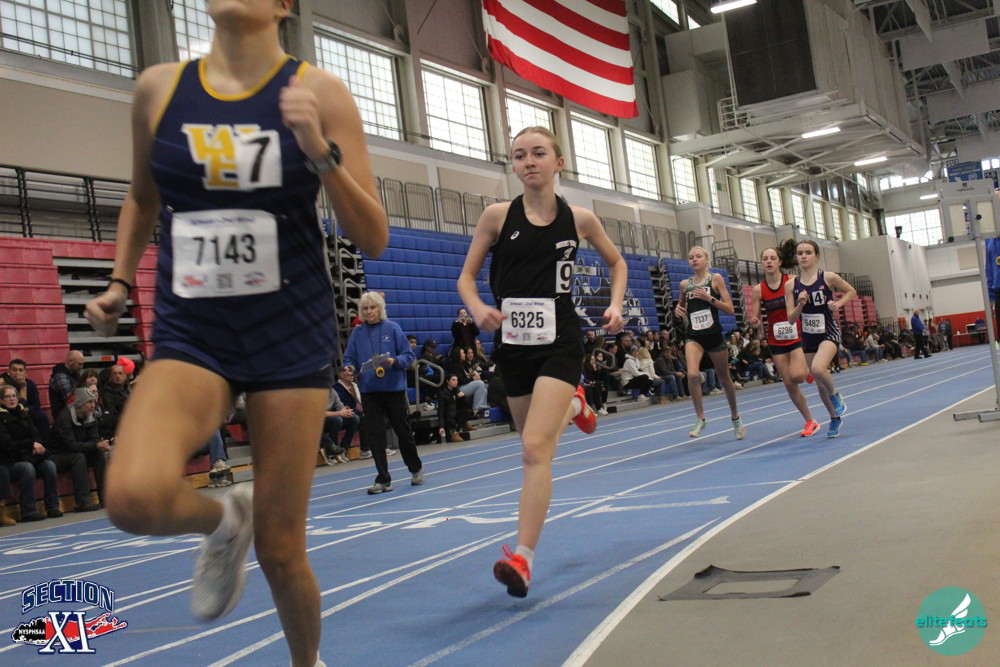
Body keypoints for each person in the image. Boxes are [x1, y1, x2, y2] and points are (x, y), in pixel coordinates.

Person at [81, 2, 389, 664]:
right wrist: (118, 282)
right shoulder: (158, 88)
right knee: (131, 497)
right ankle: (224, 520)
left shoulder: (319, 91)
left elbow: (372, 236)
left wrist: (322, 155)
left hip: (289, 332)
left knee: (281, 551)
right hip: (194, 329)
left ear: (283, 5)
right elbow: (141, 197)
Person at [457, 126, 626, 598]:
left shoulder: (580, 220)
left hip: (560, 340)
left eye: (537, 153)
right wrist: (477, 308)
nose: (528, 161)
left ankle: (523, 559)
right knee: (536, 444)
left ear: (558, 163)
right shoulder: (496, 216)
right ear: (513, 165)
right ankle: (576, 406)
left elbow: (617, 263)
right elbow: (466, 278)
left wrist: (615, 305)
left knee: (534, 449)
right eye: (519, 155)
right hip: (513, 344)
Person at [343, 291, 424, 494]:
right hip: (369, 391)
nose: (369, 311)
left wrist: (394, 361)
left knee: (403, 431)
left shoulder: (393, 328)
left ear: (380, 309)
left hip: (393, 390)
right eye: (365, 308)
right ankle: (383, 478)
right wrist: (349, 368)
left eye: (373, 307)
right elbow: (349, 358)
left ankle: (415, 468)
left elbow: (408, 356)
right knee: (376, 435)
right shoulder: (357, 333)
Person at [786, 240, 856, 438]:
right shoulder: (791, 285)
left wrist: (838, 304)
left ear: (816, 256)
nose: (803, 256)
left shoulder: (828, 277)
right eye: (800, 253)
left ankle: (835, 395)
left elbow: (851, 291)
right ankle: (834, 418)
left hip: (828, 332)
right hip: (809, 336)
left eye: (808, 252)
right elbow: (790, 319)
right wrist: (800, 305)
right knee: (819, 384)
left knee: (817, 369)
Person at [674, 246, 745, 439]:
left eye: (698, 256)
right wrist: (678, 310)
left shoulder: (716, 279)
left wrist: (709, 298)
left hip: (713, 335)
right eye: (691, 257)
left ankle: (735, 417)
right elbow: (680, 307)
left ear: (706, 260)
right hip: (694, 336)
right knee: (692, 374)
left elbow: (730, 309)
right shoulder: (684, 285)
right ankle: (700, 418)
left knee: (724, 378)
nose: (694, 259)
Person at [748, 243, 819, 437]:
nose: (769, 262)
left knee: (798, 376)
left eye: (773, 258)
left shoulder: (792, 281)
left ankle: (808, 369)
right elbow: (756, 317)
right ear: (761, 263)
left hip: (797, 335)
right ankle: (810, 421)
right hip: (776, 339)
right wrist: (755, 322)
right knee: (789, 383)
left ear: (779, 262)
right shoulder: (758, 289)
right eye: (765, 259)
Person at [0, 384, 61, 521]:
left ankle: (52, 506)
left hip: (29, 455)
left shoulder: (24, 414)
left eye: (14, 396)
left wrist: (35, 445)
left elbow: (36, 435)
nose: (12, 399)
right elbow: (7, 445)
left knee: (49, 466)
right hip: (11, 461)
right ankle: (28, 511)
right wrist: (30, 445)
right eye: (7, 397)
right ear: (1, 401)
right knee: (27, 468)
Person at [45, 388, 105, 512]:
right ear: (80, 404)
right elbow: (71, 446)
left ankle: (106, 498)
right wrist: (95, 445)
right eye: (89, 402)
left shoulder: (90, 416)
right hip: (56, 455)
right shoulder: (64, 419)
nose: (93, 406)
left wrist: (99, 445)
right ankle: (83, 502)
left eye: (94, 402)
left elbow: (94, 439)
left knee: (99, 454)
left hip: (76, 451)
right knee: (79, 457)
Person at [2, 358, 49, 437]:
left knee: (41, 416)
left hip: (27, 410)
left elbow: (36, 405)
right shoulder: (4, 384)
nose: (17, 373)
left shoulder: (30, 384)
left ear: (25, 373)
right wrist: (22, 388)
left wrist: (27, 409)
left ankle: (44, 442)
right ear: (9, 372)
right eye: (14, 370)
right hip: (9, 412)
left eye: (20, 370)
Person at [334, 366, 371, 459]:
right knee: (359, 419)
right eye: (348, 374)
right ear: (341, 375)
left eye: (352, 374)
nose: (351, 376)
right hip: (343, 414)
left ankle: (380, 447)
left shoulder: (355, 386)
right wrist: (359, 412)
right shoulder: (337, 388)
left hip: (359, 412)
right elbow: (343, 406)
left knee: (374, 416)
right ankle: (361, 449)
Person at [320, 387, 356, 465]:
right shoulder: (316, 392)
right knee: (337, 420)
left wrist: (347, 412)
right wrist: (339, 413)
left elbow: (340, 406)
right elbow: (318, 413)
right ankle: (331, 449)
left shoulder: (332, 391)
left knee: (354, 419)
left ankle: (343, 448)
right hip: (318, 421)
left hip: (329, 418)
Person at [48, 349, 84, 421]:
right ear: (71, 362)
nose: (81, 367)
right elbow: (71, 399)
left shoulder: (74, 374)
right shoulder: (60, 377)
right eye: (79, 364)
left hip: (71, 414)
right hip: (63, 417)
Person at [437, 373, 472, 443]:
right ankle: (454, 433)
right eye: (453, 380)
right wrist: (441, 426)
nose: (456, 382)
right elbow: (441, 411)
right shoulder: (443, 393)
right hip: (448, 416)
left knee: (469, 411)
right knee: (451, 418)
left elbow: (466, 404)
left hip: (455, 413)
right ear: (447, 381)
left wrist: (463, 397)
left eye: (456, 380)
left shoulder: (457, 389)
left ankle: (457, 431)